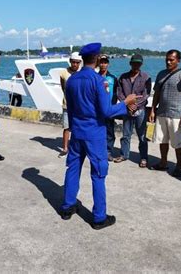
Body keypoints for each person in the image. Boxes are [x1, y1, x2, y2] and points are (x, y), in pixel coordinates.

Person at [60, 42, 138, 230]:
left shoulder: (72, 80)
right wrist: (125, 103)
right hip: (94, 134)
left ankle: (68, 207)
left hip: (77, 132)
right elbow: (106, 111)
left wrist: (73, 128)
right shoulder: (97, 81)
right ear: (96, 59)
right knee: (98, 174)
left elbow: (70, 109)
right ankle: (99, 218)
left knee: (73, 168)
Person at [149, 50, 181, 177]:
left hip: (177, 114)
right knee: (162, 140)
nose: (168, 62)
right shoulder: (161, 74)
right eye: (167, 59)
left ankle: (179, 165)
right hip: (162, 112)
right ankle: (163, 162)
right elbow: (156, 93)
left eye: (171, 60)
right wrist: (152, 109)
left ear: (178, 60)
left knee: (178, 142)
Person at [115, 54, 151, 167]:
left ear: (141, 64)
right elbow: (119, 92)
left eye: (138, 63)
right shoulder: (123, 77)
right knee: (126, 134)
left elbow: (146, 94)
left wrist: (135, 105)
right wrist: (127, 103)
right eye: (134, 63)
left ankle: (144, 158)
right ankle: (124, 155)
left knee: (142, 136)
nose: (136, 65)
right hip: (126, 109)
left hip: (140, 110)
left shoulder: (145, 77)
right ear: (130, 63)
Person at [58, 52, 82, 157]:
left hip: (79, 106)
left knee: (78, 127)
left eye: (77, 62)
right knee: (67, 127)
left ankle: (77, 147)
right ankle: (65, 148)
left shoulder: (82, 73)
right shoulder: (64, 73)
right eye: (73, 62)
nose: (75, 64)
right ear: (70, 62)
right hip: (67, 105)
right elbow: (63, 87)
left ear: (80, 62)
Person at [98, 54, 119, 161]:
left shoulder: (113, 78)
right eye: (101, 62)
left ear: (108, 64)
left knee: (110, 132)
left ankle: (108, 151)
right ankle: (98, 151)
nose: (103, 64)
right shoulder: (94, 77)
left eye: (105, 62)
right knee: (98, 131)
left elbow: (117, 93)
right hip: (97, 110)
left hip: (109, 109)